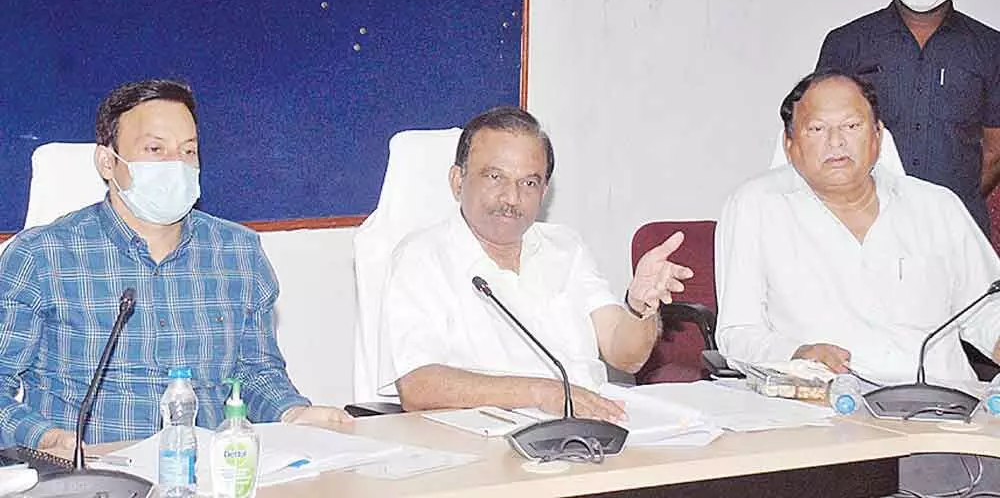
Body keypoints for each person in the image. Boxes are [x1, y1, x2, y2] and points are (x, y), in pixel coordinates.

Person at [0, 79, 349, 455]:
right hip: (92, 475)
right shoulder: (41, 256)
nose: (176, 165)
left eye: (188, 151)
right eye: (155, 149)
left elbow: (255, 372)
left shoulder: (238, 252)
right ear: (107, 162)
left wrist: (292, 413)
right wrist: (47, 440)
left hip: (209, 475)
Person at [716, 70, 1000, 495]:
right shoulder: (757, 207)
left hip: (949, 422)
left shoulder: (937, 207)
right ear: (790, 145)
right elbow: (736, 334)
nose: (836, 142)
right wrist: (796, 353)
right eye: (817, 129)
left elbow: (988, 313)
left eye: (851, 126)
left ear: (878, 135)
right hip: (831, 427)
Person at [380, 106, 693, 421]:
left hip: (587, 434)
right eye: (494, 177)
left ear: (544, 191)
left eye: (528, 183)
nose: (512, 198)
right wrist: (543, 393)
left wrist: (641, 308)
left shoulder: (566, 247)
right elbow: (418, 386)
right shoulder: (421, 257)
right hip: (485, 446)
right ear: (457, 181)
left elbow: (625, 357)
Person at [816, 0, 1000, 238]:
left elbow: (994, 151)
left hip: (957, 231)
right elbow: (823, 140)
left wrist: (944, 204)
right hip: (866, 229)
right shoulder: (847, 43)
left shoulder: (990, 49)